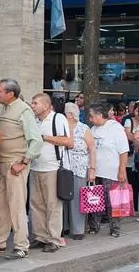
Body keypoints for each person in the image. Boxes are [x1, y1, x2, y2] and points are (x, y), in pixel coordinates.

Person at [0, 78, 43, 259]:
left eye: (0, 90)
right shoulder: (1, 108)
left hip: (15, 164)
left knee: (17, 205)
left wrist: (24, 163)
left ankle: (21, 245)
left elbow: (36, 140)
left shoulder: (24, 110)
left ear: (10, 93)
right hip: (2, 163)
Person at [28, 93, 72, 252]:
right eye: (32, 103)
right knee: (36, 204)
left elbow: (68, 141)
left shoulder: (57, 119)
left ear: (46, 105)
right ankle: (40, 236)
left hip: (52, 167)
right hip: (35, 167)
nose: (32, 105)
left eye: (35, 103)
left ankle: (54, 239)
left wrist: (44, 137)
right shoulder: (34, 120)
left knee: (53, 205)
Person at [86, 104, 129, 237]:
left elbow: (123, 151)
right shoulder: (92, 130)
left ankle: (115, 228)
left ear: (99, 115)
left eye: (92, 116)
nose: (90, 119)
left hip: (111, 171)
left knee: (112, 202)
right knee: (94, 201)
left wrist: (122, 170)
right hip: (95, 171)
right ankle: (94, 226)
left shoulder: (116, 128)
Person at [62, 102, 96, 238]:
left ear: (70, 115)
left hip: (79, 167)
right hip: (64, 167)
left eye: (65, 113)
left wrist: (92, 169)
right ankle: (64, 226)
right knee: (63, 197)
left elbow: (92, 149)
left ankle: (78, 229)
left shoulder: (83, 128)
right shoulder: (62, 127)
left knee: (77, 198)